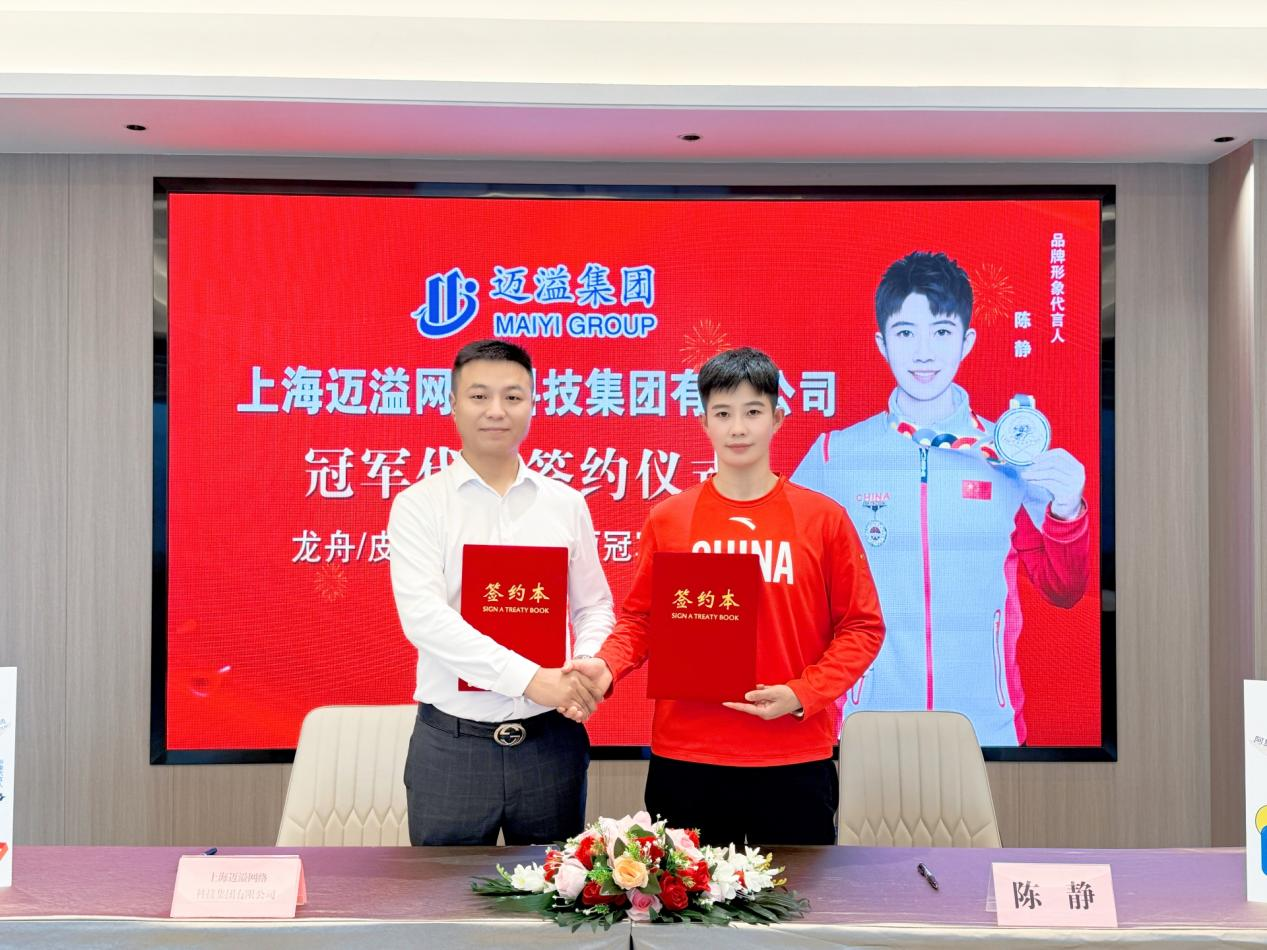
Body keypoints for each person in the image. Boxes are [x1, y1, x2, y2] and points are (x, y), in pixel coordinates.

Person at [566, 347, 885, 846]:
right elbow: (642, 620)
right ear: (704, 422)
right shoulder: (670, 518)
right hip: (688, 758)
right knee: (686, 895)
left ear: (777, 418)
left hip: (793, 757)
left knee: (797, 895)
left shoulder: (823, 520)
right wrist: (606, 666)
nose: (738, 428)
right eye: (723, 413)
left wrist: (803, 693)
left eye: (753, 412)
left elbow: (862, 627)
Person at [791, 251, 1090, 746]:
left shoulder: (1011, 458)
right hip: (866, 727)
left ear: (967, 341)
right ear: (882, 344)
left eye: (942, 332)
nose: (924, 353)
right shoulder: (834, 456)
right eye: (906, 333)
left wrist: (1067, 510)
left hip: (986, 730)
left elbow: (1064, 589)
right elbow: (785, 579)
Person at [388, 339, 614, 845]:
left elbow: (594, 605)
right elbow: (425, 619)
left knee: (557, 891)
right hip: (453, 746)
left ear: (533, 404)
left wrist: (584, 665)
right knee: (444, 892)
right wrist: (532, 679)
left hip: (550, 743)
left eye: (512, 397)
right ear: (452, 405)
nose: (496, 410)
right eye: (479, 396)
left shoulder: (566, 503)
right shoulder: (419, 504)